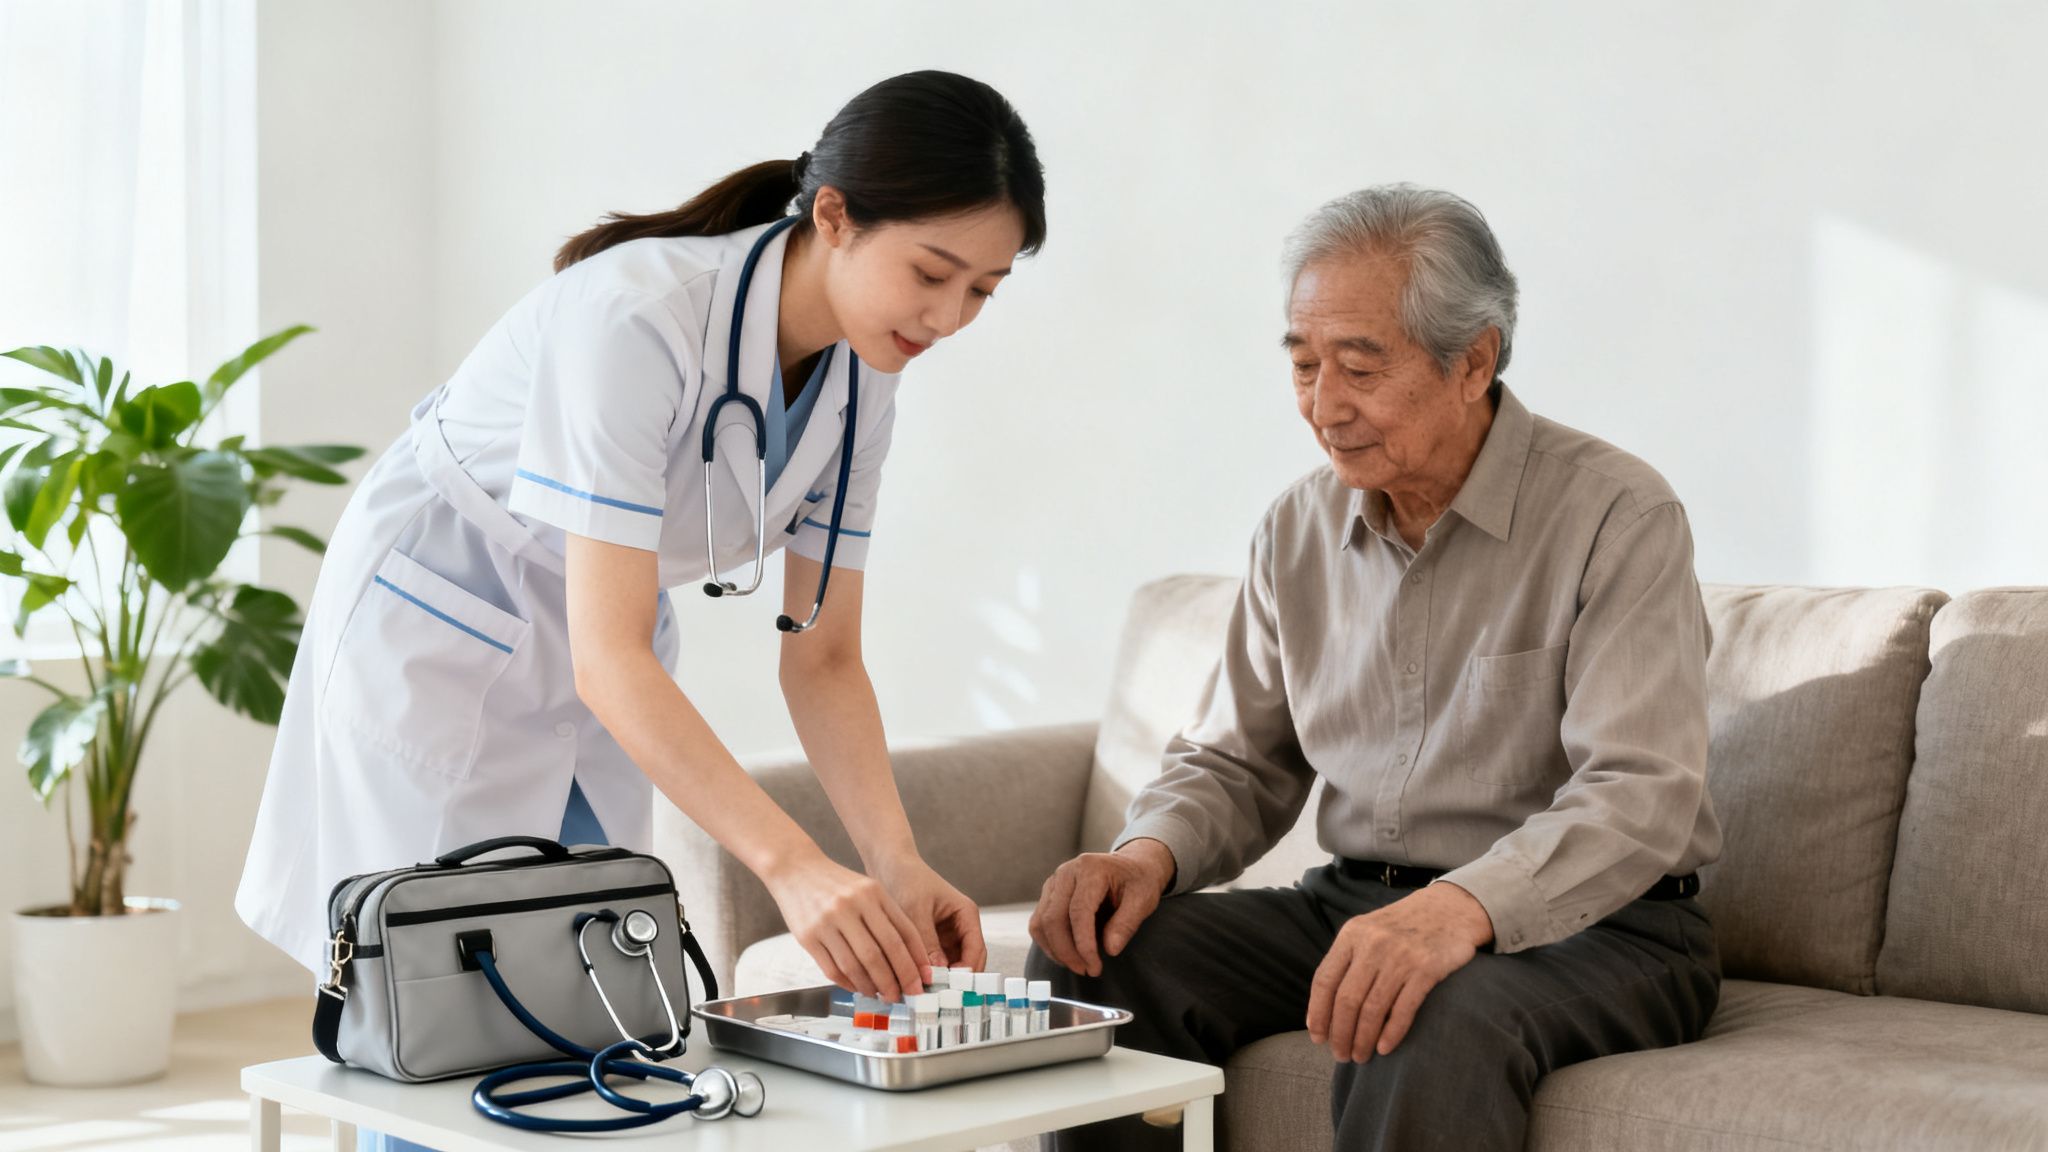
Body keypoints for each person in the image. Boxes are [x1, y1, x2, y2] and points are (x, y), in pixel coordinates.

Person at [234, 71, 1045, 1150]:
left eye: (982, 291)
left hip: (598, 643)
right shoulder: (637, 314)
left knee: (589, 1005)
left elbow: (824, 657)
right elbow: (608, 660)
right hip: (441, 620)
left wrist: (895, 864)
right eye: (932, 273)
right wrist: (792, 866)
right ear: (836, 215)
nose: (947, 319)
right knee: (437, 1010)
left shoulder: (866, 374)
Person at [1027, 184, 1721, 1151]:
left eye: (1359, 367)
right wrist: (1146, 855)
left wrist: (1462, 909)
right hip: (1356, 904)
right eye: (1304, 365)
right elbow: (1237, 759)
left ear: (1472, 360)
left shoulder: (1618, 516)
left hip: (1602, 929)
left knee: (1425, 1010)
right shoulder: (1297, 528)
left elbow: (1640, 793)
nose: (1323, 406)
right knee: (1097, 961)